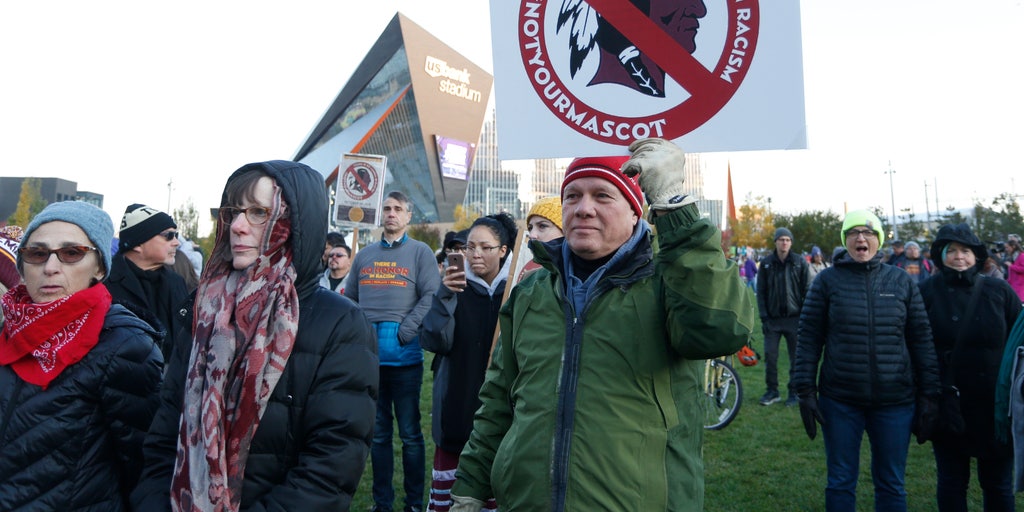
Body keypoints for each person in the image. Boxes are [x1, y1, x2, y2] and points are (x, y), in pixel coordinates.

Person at [448, 138, 754, 511]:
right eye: (573, 196)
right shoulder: (531, 293)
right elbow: (498, 398)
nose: (584, 209)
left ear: (635, 211)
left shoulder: (668, 284)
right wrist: (471, 484)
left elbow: (720, 330)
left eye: (603, 196)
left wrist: (676, 208)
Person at [131, 160, 378, 511]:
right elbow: (163, 437)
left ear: (295, 224)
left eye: (260, 212)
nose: (238, 226)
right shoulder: (203, 310)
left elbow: (328, 470)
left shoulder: (340, 324)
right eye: (233, 212)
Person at [0, 201, 163, 511]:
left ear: (99, 267)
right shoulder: (8, 331)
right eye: (37, 253)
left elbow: (144, 470)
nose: (50, 267)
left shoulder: (125, 346)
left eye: (71, 253)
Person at [792, 209, 940, 512]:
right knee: (841, 480)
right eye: (854, 232)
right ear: (845, 240)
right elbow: (808, 338)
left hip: (895, 402)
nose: (861, 237)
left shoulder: (901, 281)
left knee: (891, 483)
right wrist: (804, 389)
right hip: (841, 400)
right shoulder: (826, 282)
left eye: (869, 232)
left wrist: (930, 393)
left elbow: (921, 339)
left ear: (879, 240)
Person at [345, 190, 442, 512]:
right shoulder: (364, 256)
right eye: (386, 208)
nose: (391, 213)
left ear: (408, 216)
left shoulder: (420, 253)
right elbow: (351, 300)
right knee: (379, 435)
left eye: (398, 208)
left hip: (405, 359)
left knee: (411, 435)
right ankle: (381, 504)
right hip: (370, 360)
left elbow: (430, 295)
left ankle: (414, 503)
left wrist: (407, 329)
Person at [918, 223, 1022, 510]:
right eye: (951, 250)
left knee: (998, 484)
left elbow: (1019, 340)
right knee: (952, 481)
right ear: (940, 255)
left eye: (965, 250)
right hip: (949, 403)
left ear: (976, 255)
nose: (959, 256)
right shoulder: (926, 291)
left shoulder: (998, 291)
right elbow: (914, 342)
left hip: (995, 405)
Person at [419, 212, 517, 512]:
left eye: (485, 247)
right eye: (470, 246)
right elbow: (434, 340)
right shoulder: (456, 289)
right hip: (457, 408)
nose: (475, 254)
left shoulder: (515, 290)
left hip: (503, 413)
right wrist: (444, 295)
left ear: (503, 251)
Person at [105, 203, 189, 361]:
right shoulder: (105, 283)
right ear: (138, 243)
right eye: (168, 236)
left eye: (176, 235)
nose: (176, 242)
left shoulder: (176, 282)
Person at [756, 226, 811, 406]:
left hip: (794, 319)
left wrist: (804, 316)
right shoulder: (766, 263)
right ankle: (772, 391)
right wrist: (764, 317)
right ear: (776, 242)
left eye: (787, 240)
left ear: (791, 243)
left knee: (796, 358)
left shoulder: (799, 262)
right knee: (770, 357)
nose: (784, 242)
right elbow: (761, 292)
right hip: (772, 320)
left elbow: (808, 290)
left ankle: (794, 392)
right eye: (781, 239)